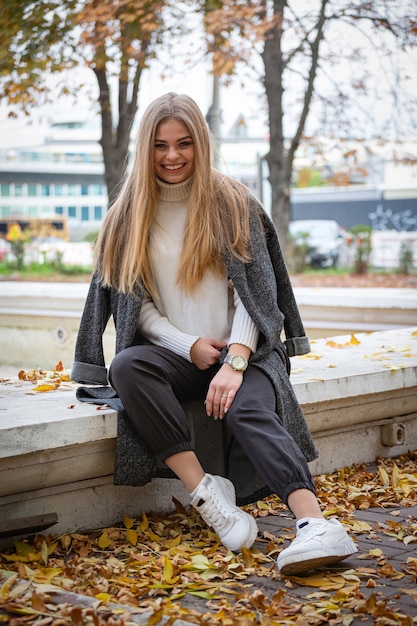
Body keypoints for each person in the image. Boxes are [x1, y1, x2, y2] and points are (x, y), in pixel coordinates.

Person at [71, 92, 357, 576]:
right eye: (160, 145)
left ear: (200, 144)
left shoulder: (231, 202)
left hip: (247, 351)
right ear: (147, 149)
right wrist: (190, 347)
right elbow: (136, 307)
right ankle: (208, 494)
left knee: (248, 407)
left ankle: (315, 524)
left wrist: (235, 360)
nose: (173, 156)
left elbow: (256, 295)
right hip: (181, 356)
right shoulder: (127, 216)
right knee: (127, 366)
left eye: (184, 144)